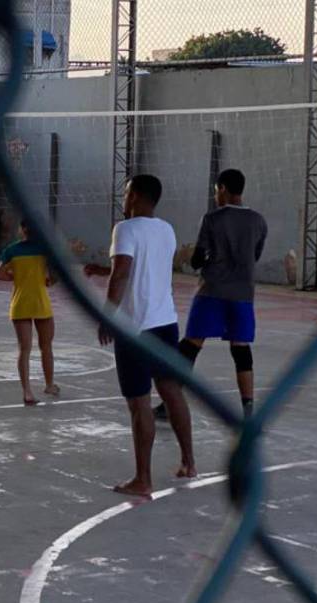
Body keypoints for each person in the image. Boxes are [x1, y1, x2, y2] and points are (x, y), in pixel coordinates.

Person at [85, 174, 195, 499]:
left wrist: (108, 315)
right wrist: (104, 270)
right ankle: (189, 461)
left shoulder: (125, 229)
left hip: (134, 328)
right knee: (172, 392)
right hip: (166, 323)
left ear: (135, 195)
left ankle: (143, 479)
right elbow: (140, 268)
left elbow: (123, 273)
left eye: (125, 191)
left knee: (139, 403)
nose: (123, 196)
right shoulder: (166, 229)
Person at [153, 169, 267, 420]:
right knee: (240, 348)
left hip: (212, 290)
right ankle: (248, 410)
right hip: (243, 292)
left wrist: (197, 260)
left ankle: (168, 403)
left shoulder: (213, 219)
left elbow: (197, 258)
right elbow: (255, 255)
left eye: (216, 191)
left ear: (223, 188)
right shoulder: (258, 220)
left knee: (191, 344)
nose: (216, 196)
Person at [0, 219, 60, 405]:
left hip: (21, 303)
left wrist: (18, 276)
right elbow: (53, 279)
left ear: (22, 230)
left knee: (24, 349)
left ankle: (27, 392)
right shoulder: (45, 250)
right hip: (41, 302)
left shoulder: (12, 250)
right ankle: (49, 384)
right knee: (46, 346)